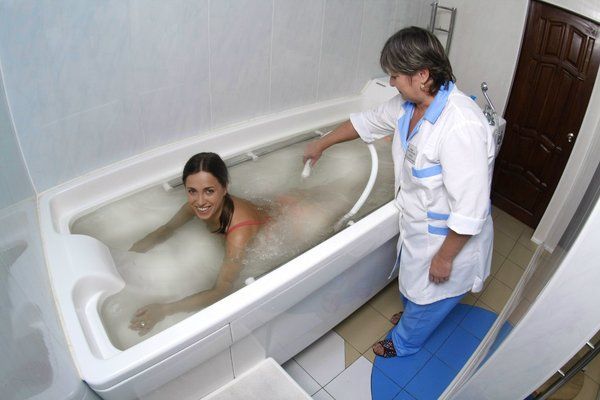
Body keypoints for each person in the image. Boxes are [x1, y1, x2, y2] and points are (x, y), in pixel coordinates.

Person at [303, 27, 495, 358]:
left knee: (430, 297)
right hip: (418, 227)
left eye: (395, 75)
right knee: (415, 287)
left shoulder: (461, 126)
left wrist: (445, 257)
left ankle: (405, 343)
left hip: (447, 240)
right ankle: (412, 316)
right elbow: (365, 122)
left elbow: (470, 210)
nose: (391, 82)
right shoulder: (408, 106)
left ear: (422, 75)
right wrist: (322, 143)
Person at [128, 152, 270, 336]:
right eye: (192, 191)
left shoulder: (239, 234)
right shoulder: (195, 205)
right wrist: (131, 252)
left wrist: (164, 310)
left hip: (280, 222)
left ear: (225, 188)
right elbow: (167, 229)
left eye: (209, 191)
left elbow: (222, 290)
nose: (200, 201)